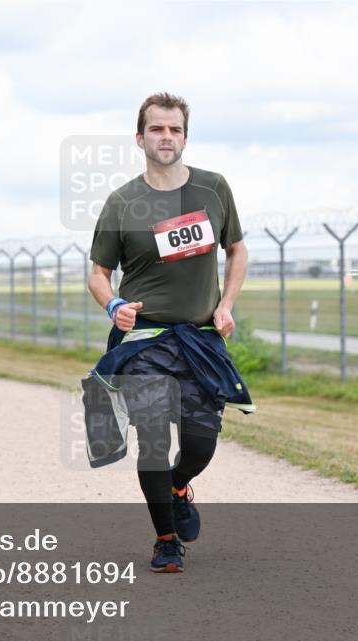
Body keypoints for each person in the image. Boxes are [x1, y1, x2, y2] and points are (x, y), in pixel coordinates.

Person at [85, 92, 253, 573]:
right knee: (154, 441)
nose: (166, 136)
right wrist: (114, 305)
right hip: (145, 342)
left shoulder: (213, 189)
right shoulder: (122, 202)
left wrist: (226, 304)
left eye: (175, 129)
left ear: (185, 137)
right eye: (157, 129)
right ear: (140, 138)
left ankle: (179, 487)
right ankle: (165, 541)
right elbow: (98, 274)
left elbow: (237, 251)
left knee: (201, 442)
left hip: (200, 339)